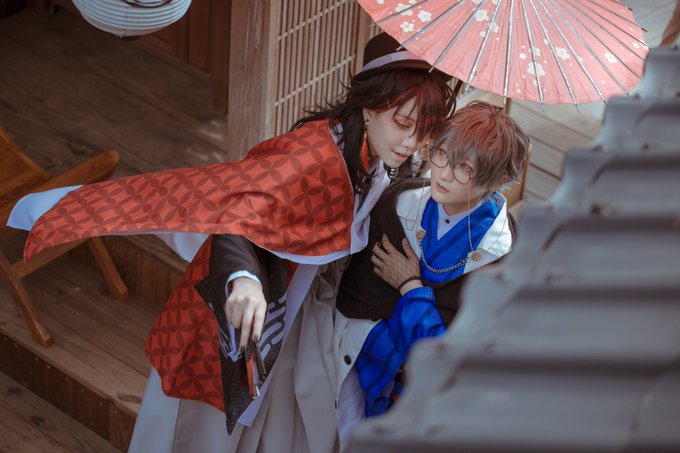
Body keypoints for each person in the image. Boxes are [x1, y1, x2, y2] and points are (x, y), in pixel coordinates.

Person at [8, 33, 454, 452]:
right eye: (403, 123)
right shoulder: (311, 158)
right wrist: (243, 279)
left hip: (292, 309)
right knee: (199, 429)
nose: (411, 142)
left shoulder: (375, 156)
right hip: (244, 304)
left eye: (424, 131)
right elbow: (237, 216)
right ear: (369, 106)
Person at [335, 101, 530, 425]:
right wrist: (401, 359)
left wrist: (410, 287)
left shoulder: (504, 258)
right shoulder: (399, 203)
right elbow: (355, 300)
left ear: (497, 180)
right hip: (366, 381)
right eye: (442, 154)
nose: (444, 174)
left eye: (464, 169)